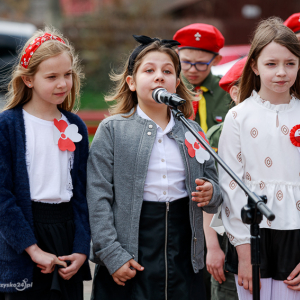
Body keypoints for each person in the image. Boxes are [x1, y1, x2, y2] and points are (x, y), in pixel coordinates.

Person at [87, 34, 222, 300]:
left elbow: (215, 188)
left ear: (177, 82)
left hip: (183, 250)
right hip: (131, 251)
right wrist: (113, 255)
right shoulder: (112, 130)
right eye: (149, 70)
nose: (159, 76)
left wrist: (212, 192)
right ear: (132, 82)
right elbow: (97, 196)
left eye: (168, 71)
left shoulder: (192, 131)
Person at [0, 27, 91, 300]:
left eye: (67, 75)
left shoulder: (75, 126)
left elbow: (83, 193)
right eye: (51, 77)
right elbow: (3, 196)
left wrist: (81, 248)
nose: (62, 84)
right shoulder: (8, 126)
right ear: (28, 80)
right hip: (23, 236)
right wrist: (32, 248)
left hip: (66, 234)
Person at [218, 17, 300, 299]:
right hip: (253, 233)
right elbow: (231, 185)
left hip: (296, 230)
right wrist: (243, 252)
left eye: (290, 63)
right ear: (254, 65)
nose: (281, 72)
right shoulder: (239, 116)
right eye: (271, 64)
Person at [173, 23, 232, 299]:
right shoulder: (168, 93)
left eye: (201, 63)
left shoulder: (226, 94)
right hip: (178, 190)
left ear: (216, 60)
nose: (192, 69)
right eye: (186, 62)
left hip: (217, 195)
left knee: (215, 259)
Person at [205, 57, 247, 300]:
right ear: (234, 93)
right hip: (226, 238)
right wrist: (213, 247)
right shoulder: (217, 136)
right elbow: (209, 197)